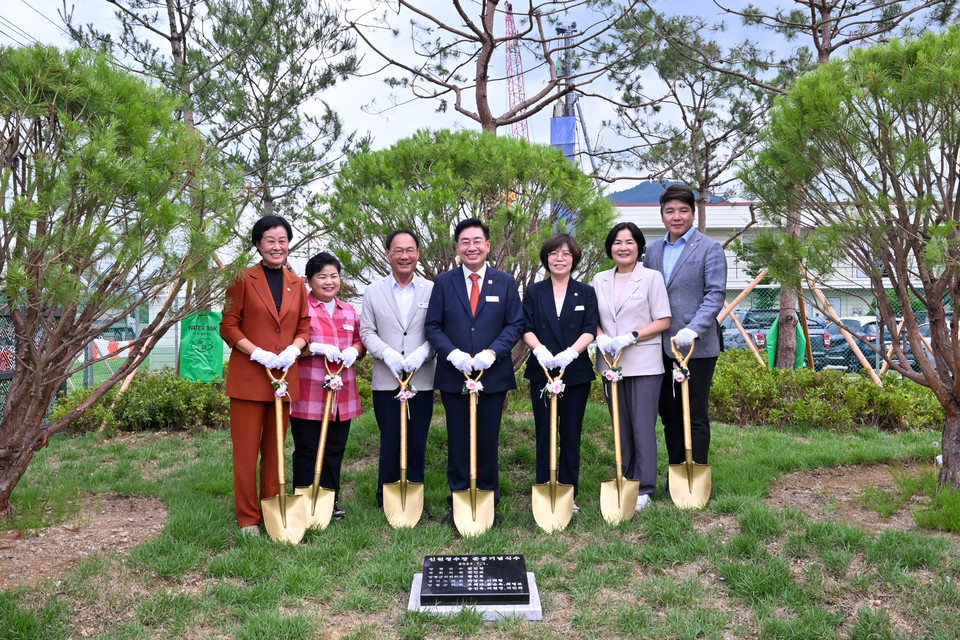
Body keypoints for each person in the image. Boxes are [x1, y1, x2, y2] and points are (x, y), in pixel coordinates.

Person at [425, 217, 524, 522]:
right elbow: (433, 325)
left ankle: (487, 500)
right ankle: (458, 500)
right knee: (457, 440)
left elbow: (515, 324)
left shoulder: (505, 282)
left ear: (488, 245)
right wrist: (452, 354)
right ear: (457, 247)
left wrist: (492, 353)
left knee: (487, 439)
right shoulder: (443, 283)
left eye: (477, 241)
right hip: (455, 375)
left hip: (492, 375)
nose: (471, 247)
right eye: (465, 242)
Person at [220, 215, 310, 536]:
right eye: (270, 240)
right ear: (258, 244)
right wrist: (256, 352)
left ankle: (271, 506)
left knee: (274, 450)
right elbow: (227, 325)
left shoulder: (297, 283)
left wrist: (294, 349)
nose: (277, 246)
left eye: (282, 240)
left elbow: (303, 327)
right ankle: (247, 518)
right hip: (249, 377)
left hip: (283, 377)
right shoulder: (242, 278)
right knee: (246, 452)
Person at [643, 184, 727, 473]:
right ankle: (677, 470)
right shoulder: (652, 251)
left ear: (693, 213)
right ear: (662, 214)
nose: (676, 217)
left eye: (683, 210)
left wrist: (694, 328)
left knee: (695, 413)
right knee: (669, 413)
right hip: (660, 346)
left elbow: (715, 294)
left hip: (697, 347)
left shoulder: (709, 248)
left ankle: (697, 471)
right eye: (670, 211)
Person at [592, 222, 671, 512]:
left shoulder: (651, 278)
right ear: (610, 247)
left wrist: (632, 336)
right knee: (620, 426)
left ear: (639, 247)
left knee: (642, 427)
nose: (623, 248)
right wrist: (601, 337)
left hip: (643, 362)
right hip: (610, 362)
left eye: (629, 242)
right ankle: (625, 479)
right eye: (617, 242)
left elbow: (664, 320)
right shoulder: (599, 279)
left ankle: (644, 488)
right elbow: (593, 318)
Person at [360, 229, 436, 510]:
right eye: (398, 250)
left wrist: (423, 352)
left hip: (422, 379)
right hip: (386, 379)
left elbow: (438, 329)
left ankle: (415, 498)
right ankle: (386, 499)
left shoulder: (431, 289)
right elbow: (367, 331)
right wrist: (387, 353)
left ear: (418, 253)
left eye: (410, 250)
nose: (404, 256)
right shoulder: (373, 291)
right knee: (390, 440)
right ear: (388, 254)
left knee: (417, 440)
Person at [522, 233, 598, 511]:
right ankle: (544, 488)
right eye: (554, 253)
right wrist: (539, 350)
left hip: (575, 373)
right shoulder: (534, 292)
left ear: (574, 258)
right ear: (546, 258)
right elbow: (526, 327)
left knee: (571, 433)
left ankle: (568, 493)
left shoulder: (586, 292)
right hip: (541, 371)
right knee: (544, 433)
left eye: (566, 254)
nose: (560, 258)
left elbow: (590, 329)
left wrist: (571, 353)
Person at [289, 252, 366, 520]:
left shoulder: (349, 310)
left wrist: (355, 350)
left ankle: (329, 501)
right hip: (309, 394)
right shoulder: (302, 309)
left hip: (342, 393)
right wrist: (315, 348)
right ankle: (302, 500)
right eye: (322, 276)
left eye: (334, 276)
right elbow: (292, 346)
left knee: (335, 448)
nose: (329, 281)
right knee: (307, 448)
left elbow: (360, 340)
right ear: (309, 280)